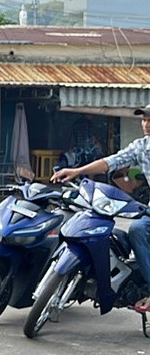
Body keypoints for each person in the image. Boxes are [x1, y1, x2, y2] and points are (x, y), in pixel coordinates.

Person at [52, 103, 150, 312]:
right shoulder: (141, 147)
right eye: (144, 119)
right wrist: (77, 171)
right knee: (134, 231)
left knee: (138, 229)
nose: (146, 124)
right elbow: (111, 162)